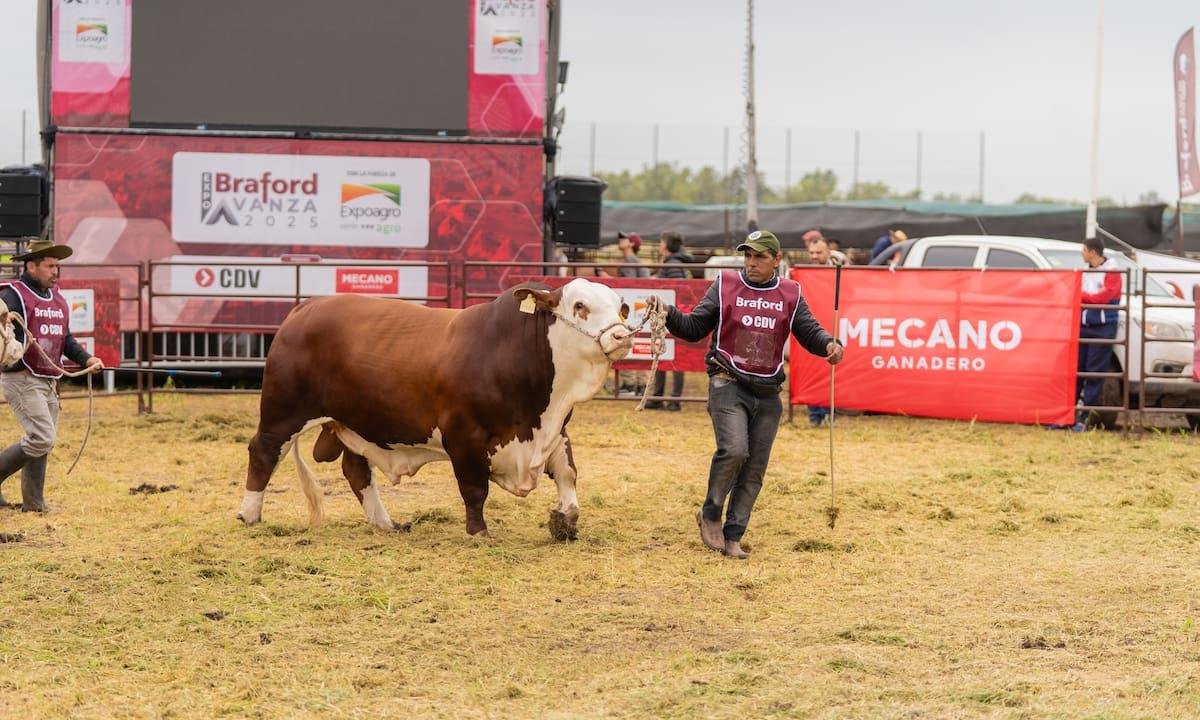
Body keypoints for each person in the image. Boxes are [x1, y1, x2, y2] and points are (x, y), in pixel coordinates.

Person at [645, 229, 844, 559]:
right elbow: (695, 328)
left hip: (767, 393)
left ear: (776, 260)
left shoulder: (791, 293)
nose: (751, 263)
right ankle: (710, 513)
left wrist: (829, 344)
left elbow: (809, 331)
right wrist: (668, 313)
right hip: (728, 382)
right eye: (748, 256)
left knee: (754, 469)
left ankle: (734, 534)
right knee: (735, 449)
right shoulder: (725, 285)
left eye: (760, 257)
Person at [0, 239, 103, 512]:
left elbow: (65, 339)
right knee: (42, 438)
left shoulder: (57, 300)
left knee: (41, 440)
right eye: (49, 266)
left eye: (57, 266)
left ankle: (34, 503)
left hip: (48, 379)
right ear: (31, 266)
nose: (55, 271)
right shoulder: (13, 293)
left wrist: (87, 358)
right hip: (21, 377)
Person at [645, 231, 693, 411]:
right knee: (669, 353)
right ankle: (666, 397)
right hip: (673, 314)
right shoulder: (675, 262)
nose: (659, 245)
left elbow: (676, 288)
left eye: (661, 242)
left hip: (671, 315)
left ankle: (669, 398)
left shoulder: (672, 264)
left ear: (666, 245)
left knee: (673, 355)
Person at [1076, 237, 1121, 428]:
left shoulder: (1112, 271)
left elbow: (1105, 297)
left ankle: (1086, 418)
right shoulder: (1087, 271)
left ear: (1092, 252)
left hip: (1102, 327)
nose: (1082, 253)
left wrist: (1081, 296)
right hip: (1085, 325)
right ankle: (1072, 415)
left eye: (1084, 250)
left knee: (1094, 373)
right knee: (1079, 371)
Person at [804, 238, 841, 427]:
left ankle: (829, 413)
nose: (814, 257)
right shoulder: (804, 273)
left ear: (828, 252)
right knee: (811, 370)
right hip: (811, 329)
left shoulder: (840, 270)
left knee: (833, 372)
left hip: (835, 326)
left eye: (818, 253)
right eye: (811, 253)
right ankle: (815, 415)